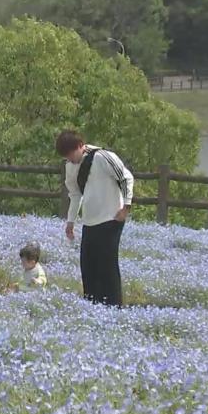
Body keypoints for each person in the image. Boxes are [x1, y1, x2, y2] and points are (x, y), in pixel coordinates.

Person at [57, 130, 134, 307]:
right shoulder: (70, 166)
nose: (70, 159)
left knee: (107, 267)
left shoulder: (103, 157)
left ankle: (113, 307)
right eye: (66, 157)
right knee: (88, 266)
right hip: (90, 220)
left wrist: (126, 207)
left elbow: (126, 178)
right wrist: (70, 221)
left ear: (80, 146)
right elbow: (75, 195)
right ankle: (92, 307)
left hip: (111, 218)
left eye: (71, 154)